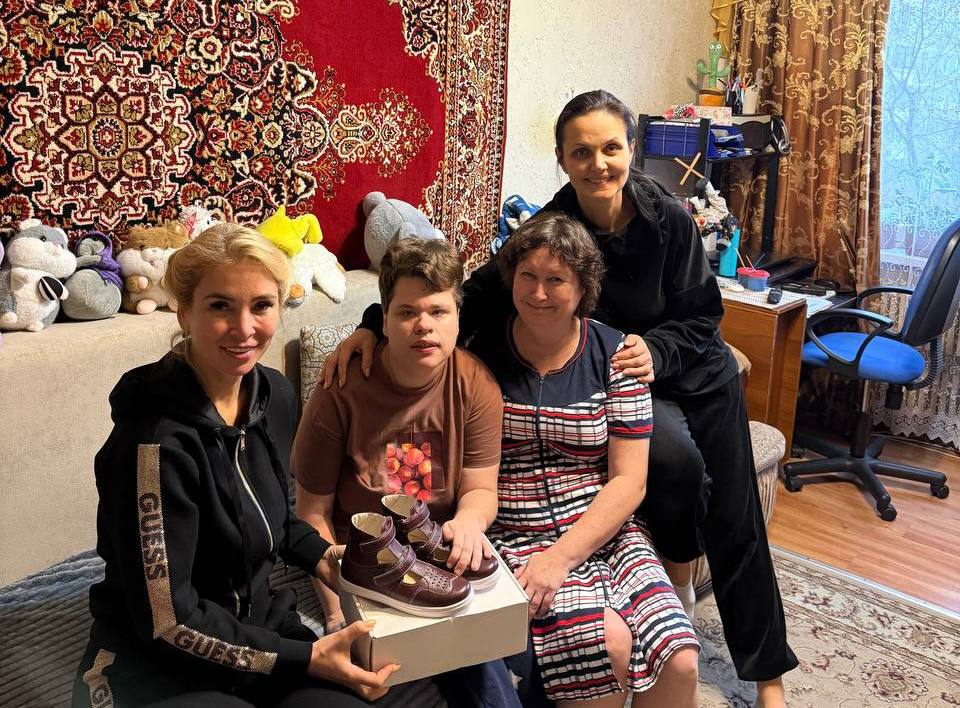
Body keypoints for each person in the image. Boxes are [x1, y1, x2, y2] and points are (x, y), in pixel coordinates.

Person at [324, 90, 798, 706]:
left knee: (735, 509)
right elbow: (471, 295)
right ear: (562, 158)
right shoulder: (552, 229)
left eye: (611, 148)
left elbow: (703, 315)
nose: (598, 164)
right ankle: (675, 574)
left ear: (631, 149)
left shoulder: (670, 219)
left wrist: (657, 350)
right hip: (621, 375)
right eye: (581, 152)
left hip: (690, 368)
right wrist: (374, 324)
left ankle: (767, 676)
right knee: (674, 461)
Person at [71, 224, 397, 708]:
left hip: (260, 629)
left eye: (261, 305)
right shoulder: (153, 444)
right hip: (156, 661)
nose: (244, 328)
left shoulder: (275, 395)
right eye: (220, 306)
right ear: (184, 311)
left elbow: (273, 519)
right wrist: (305, 658)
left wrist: (330, 559)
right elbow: (166, 619)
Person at [469, 212, 701, 707]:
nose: (538, 293)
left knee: (680, 657)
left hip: (606, 530)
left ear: (583, 287)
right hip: (519, 535)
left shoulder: (617, 356)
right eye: (528, 276)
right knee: (606, 643)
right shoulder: (482, 353)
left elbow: (630, 481)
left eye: (556, 280)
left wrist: (562, 558)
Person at [292, 237, 520, 708]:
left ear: (458, 318)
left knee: (489, 676)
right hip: (359, 569)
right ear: (384, 319)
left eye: (438, 311)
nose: (424, 326)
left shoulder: (475, 385)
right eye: (407, 312)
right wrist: (338, 610)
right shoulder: (341, 388)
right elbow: (311, 512)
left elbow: (481, 488)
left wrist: (469, 522)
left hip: (434, 565)